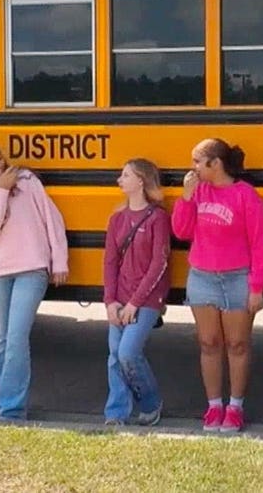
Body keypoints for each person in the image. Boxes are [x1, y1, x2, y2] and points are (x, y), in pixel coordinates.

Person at [0, 138, 68, 421]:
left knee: (17, 338)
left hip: (32, 268)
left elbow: (51, 218)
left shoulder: (27, 180)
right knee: (2, 339)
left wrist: (60, 260)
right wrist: (0, 192)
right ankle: (3, 402)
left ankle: (11, 409)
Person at [171, 138, 263, 432]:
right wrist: (186, 198)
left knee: (237, 344)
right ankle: (214, 406)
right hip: (202, 276)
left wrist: (256, 287)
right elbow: (181, 230)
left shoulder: (245, 195)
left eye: (197, 162)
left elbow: (260, 244)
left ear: (216, 164)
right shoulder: (198, 192)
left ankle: (235, 406)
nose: (193, 168)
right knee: (208, 342)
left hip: (237, 277)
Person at [102, 158, 171, 427]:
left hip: (147, 298)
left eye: (126, 175)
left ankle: (151, 402)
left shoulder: (157, 218)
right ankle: (115, 413)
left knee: (128, 352)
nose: (120, 180)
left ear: (141, 181)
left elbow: (158, 263)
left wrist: (134, 303)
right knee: (114, 354)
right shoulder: (117, 219)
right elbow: (109, 262)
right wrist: (110, 300)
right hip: (120, 296)